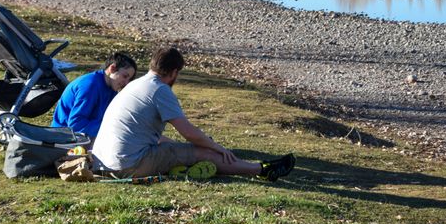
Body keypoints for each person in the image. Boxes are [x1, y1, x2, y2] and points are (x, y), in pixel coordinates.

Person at [91, 47, 295, 181]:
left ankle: (185, 167)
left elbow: (140, 131)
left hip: (102, 163)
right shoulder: (159, 90)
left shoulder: (136, 85)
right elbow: (188, 132)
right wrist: (216, 147)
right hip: (129, 165)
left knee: (180, 148)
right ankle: (262, 170)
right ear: (174, 72)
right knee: (203, 152)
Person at [51, 52, 137, 139]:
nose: (126, 83)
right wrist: (112, 128)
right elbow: (76, 125)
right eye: (125, 76)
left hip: (86, 136)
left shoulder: (112, 87)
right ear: (112, 68)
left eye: (129, 80)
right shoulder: (90, 86)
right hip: (64, 137)